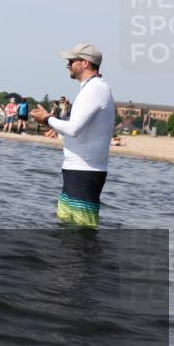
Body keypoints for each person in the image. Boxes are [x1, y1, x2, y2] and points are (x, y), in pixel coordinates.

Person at [31, 43, 116, 228]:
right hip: (76, 169)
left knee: (82, 232)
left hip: (85, 171)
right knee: (65, 227)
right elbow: (77, 130)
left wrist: (48, 119)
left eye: (71, 60)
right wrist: (53, 125)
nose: (67, 64)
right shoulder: (90, 88)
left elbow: (73, 129)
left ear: (85, 63)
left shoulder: (96, 89)